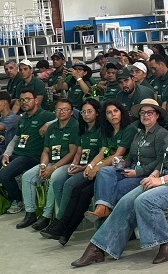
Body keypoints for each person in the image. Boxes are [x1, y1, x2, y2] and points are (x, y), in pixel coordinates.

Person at [72, 96, 168, 267]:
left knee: (144, 201)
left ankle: (166, 243)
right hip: (164, 177)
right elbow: (162, 161)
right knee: (126, 200)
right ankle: (97, 249)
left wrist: (161, 180)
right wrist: (154, 174)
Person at [40, 100, 135, 244]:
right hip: (104, 170)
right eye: (109, 112)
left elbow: (117, 155)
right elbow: (102, 152)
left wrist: (96, 168)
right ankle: (64, 229)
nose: (113, 115)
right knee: (79, 190)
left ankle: (64, 228)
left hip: (117, 171)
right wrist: (91, 166)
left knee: (82, 191)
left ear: (121, 112)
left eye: (115, 111)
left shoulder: (128, 129)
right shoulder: (107, 130)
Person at [85, 98, 168, 221]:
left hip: (145, 175)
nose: (145, 115)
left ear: (157, 115)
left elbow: (160, 161)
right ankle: (102, 208)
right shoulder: (139, 134)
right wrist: (122, 162)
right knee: (104, 172)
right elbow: (130, 157)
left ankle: (108, 217)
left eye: (149, 112)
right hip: (130, 169)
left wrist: (137, 172)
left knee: (116, 187)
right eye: (142, 112)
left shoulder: (161, 134)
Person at [0, 88, 55, 214]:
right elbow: (15, 139)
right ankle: (8, 195)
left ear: (36, 101)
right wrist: (6, 154)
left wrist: (48, 124)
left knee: (4, 174)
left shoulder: (46, 115)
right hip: (16, 154)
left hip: (32, 156)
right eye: (21, 100)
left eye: (27, 99)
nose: (24, 102)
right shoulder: (22, 119)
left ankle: (19, 200)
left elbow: (69, 116)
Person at [33, 98, 101, 232]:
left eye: (90, 112)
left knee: (67, 183)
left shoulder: (100, 130)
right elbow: (78, 152)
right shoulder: (82, 128)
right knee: (58, 182)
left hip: (91, 168)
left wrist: (84, 166)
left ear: (97, 113)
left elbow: (101, 154)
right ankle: (61, 217)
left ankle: (60, 220)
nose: (86, 115)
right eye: (84, 112)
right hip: (77, 165)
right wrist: (74, 164)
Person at [17, 98, 80, 229]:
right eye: (58, 109)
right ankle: (30, 213)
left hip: (66, 163)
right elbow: (46, 151)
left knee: (55, 176)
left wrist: (53, 168)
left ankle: (46, 216)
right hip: (50, 162)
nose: (61, 112)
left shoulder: (75, 126)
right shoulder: (51, 127)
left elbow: (72, 153)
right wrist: (43, 166)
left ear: (71, 112)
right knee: (27, 176)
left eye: (65, 109)